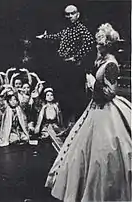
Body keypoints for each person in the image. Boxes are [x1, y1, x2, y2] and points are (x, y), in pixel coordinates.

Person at [45, 23, 132, 202]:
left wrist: (93, 84)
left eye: (99, 43)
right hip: (95, 108)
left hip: (106, 112)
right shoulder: (101, 61)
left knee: (104, 153)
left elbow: (110, 93)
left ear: (106, 45)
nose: (96, 46)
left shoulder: (111, 64)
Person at [36, 4, 95, 126]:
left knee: (76, 97)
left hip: (74, 69)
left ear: (78, 15)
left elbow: (89, 42)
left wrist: (76, 57)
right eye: (67, 14)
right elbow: (57, 36)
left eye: (72, 13)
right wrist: (45, 37)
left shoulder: (81, 29)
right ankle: (65, 124)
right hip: (64, 67)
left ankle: (77, 124)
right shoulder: (67, 30)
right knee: (65, 96)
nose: (69, 16)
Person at [34, 88, 64, 152]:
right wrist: (37, 129)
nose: (50, 97)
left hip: (55, 125)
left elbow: (59, 117)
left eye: (51, 95)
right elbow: (40, 119)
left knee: (58, 136)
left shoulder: (56, 106)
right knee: (46, 136)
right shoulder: (44, 107)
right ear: (45, 97)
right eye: (47, 95)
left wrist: (61, 126)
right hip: (46, 126)